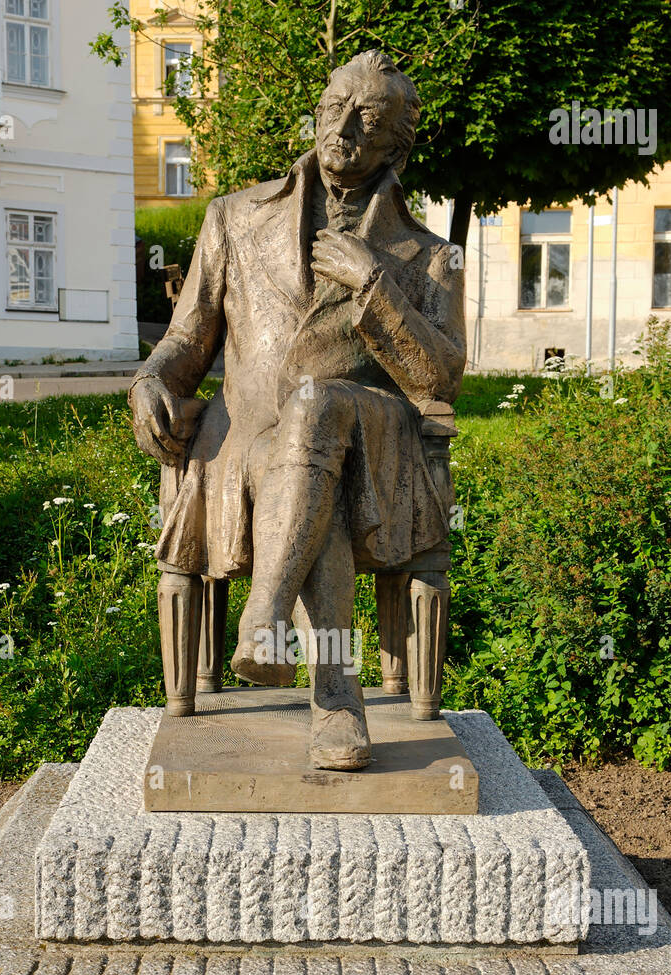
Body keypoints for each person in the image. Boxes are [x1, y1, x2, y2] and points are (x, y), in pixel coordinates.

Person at [129, 49, 465, 769]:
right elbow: (188, 338)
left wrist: (376, 286)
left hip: (373, 439)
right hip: (250, 440)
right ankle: (334, 699)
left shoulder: (429, 252)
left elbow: (442, 376)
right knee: (310, 470)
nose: (341, 125)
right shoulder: (234, 217)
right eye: (334, 103)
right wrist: (151, 379)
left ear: (396, 145)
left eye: (367, 116)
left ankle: (265, 618)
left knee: (317, 411)